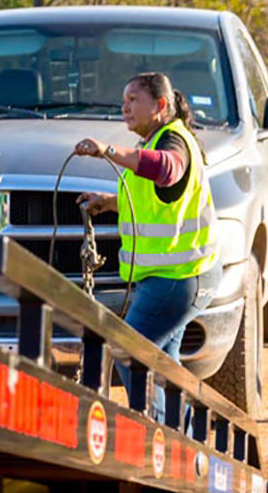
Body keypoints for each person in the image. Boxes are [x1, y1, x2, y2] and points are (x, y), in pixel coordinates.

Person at [74, 72, 222, 423]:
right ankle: (180, 437)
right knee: (162, 371)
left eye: (132, 100)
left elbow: (168, 172)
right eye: (123, 101)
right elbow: (156, 201)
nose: (124, 107)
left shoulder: (173, 142)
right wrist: (109, 202)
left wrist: (107, 151)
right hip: (173, 278)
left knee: (128, 352)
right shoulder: (155, 140)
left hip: (178, 278)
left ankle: (162, 439)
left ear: (159, 105)